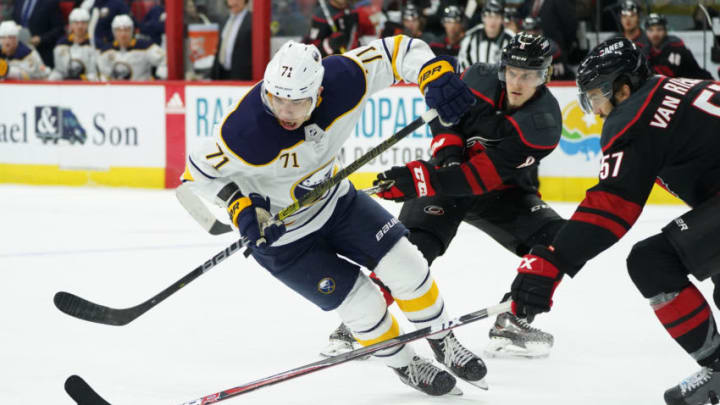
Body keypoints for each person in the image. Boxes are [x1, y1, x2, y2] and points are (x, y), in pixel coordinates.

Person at [180, 37, 488, 396]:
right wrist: (239, 205)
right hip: (283, 238)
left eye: (297, 102)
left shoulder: (345, 79)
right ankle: (405, 364)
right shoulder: (242, 131)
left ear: (319, 91)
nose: (285, 111)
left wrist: (431, 71)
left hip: (337, 203)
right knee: (364, 305)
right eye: (277, 98)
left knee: (408, 265)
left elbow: (398, 51)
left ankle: (442, 339)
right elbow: (194, 175)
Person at [507, 37, 720, 405]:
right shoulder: (675, 87)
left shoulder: (634, 116)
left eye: (596, 97)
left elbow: (612, 206)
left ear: (622, 88)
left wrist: (552, 259)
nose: (595, 110)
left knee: (652, 262)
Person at [370, 32, 564, 359]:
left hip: (504, 194)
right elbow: (445, 117)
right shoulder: (476, 78)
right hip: (451, 176)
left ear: (545, 75)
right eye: (513, 72)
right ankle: (365, 318)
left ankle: (514, 318)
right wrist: (447, 158)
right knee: (417, 245)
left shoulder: (543, 123)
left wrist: (421, 179)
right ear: (502, 69)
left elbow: (480, 178)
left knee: (562, 239)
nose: (518, 83)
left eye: (529, 75)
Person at [644, 13, 713, 80]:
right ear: (646, 32)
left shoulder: (679, 49)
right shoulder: (644, 52)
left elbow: (697, 73)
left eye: (659, 29)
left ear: (665, 31)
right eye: (650, 30)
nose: (655, 34)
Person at [97, 14, 166, 80]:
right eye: (119, 30)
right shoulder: (105, 51)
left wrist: (159, 78)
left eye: (126, 30)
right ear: (113, 31)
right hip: (116, 90)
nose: (123, 34)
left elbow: (165, 59)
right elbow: (102, 74)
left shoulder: (146, 47)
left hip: (141, 90)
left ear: (132, 30)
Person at [457, 0, 514, 71]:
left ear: (502, 19)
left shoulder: (512, 40)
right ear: (483, 17)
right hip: (473, 80)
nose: (493, 21)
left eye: (497, 16)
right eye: (489, 16)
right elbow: (462, 65)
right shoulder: (470, 37)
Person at [49, 8, 98, 81]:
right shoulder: (61, 44)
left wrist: (80, 79)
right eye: (76, 23)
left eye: (83, 23)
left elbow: (96, 73)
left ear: (88, 24)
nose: (80, 26)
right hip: (65, 86)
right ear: (71, 24)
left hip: (88, 87)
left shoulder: (95, 44)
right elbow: (59, 70)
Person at [12, 0, 63, 67]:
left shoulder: (50, 2)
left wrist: (41, 39)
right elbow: (14, 22)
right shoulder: (18, 1)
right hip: (17, 52)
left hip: (42, 52)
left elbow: (59, 29)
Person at [521, 16, 574, 80]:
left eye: (535, 29)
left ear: (540, 30)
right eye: (528, 30)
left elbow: (555, 52)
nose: (531, 33)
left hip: (549, 78)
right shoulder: (518, 45)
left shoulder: (549, 43)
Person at [209, 0, 251, 80]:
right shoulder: (225, 20)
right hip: (221, 74)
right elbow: (220, 48)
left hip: (242, 77)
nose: (233, 2)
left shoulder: (252, 20)